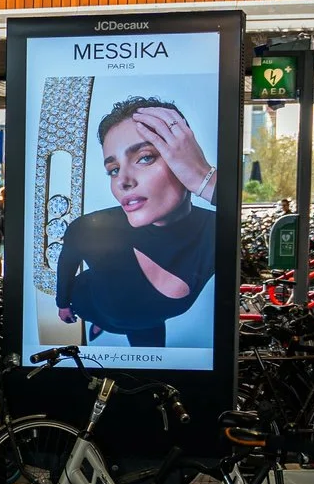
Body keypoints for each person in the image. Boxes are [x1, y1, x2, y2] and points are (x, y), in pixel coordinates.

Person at [54, 97, 219, 347]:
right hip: (92, 306)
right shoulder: (91, 227)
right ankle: (103, 323)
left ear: (185, 158)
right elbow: (67, 265)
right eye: (113, 169)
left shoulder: (216, 231)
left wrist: (202, 178)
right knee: (121, 314)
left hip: (147, 323)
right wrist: (63, 303)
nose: (123, 181)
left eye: (144, 158)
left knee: (152, 367)